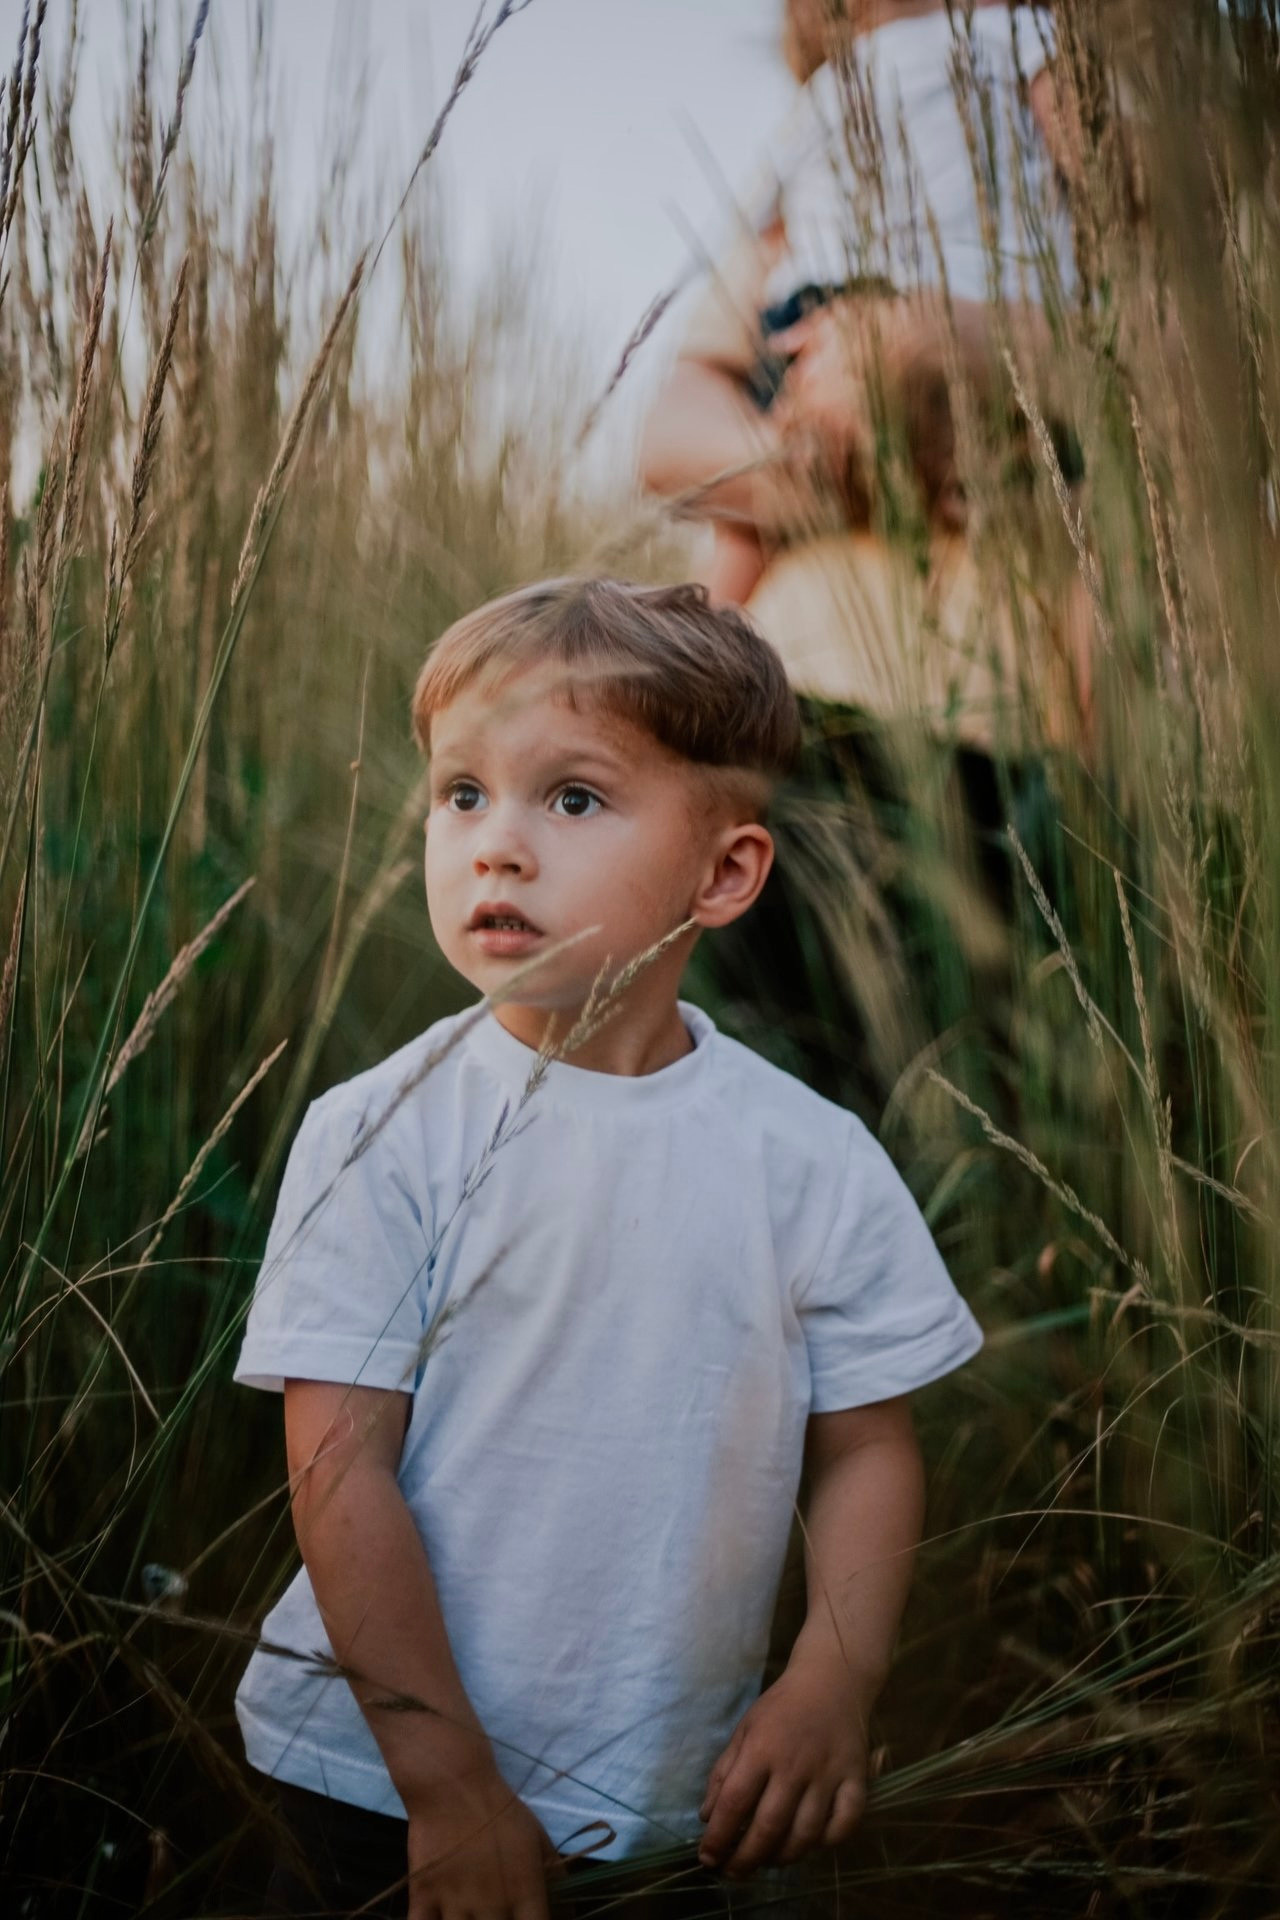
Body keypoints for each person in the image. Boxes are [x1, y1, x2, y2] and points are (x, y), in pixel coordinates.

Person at [233, 577, 984, 1919]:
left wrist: (830, 1678)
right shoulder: (383, 1131)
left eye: (570, 798)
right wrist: (447, 1780)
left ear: (724, 871)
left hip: (675, 1796)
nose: (496, 847)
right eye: (462, 793)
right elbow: (338, 1468)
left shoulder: (807, 1160)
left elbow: (870, 1443)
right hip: (375, 1788)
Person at [639, 2, 1088, 1114]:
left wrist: (964, 355)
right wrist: (844, 459)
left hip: (1009, 722)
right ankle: (693, 682)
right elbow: (666, 437)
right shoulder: (823, 127)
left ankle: (1093, 784)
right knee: (794, 1081)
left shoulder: (1064, 61)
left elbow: (1192, 376)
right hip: (804, 716)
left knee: (1011, 1079)